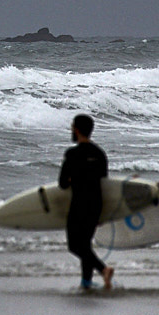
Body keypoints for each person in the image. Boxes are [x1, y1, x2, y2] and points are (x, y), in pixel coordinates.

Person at [58, 113, 114, 290]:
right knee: (85, 245)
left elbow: (62, 183)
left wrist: (72, 181)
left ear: (76, 129)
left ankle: (103, 269)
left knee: (75, 246)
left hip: (79, 204)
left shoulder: (72, 154)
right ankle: (86, 282)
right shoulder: (99, 153)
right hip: (96, 204)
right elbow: (104, 182)